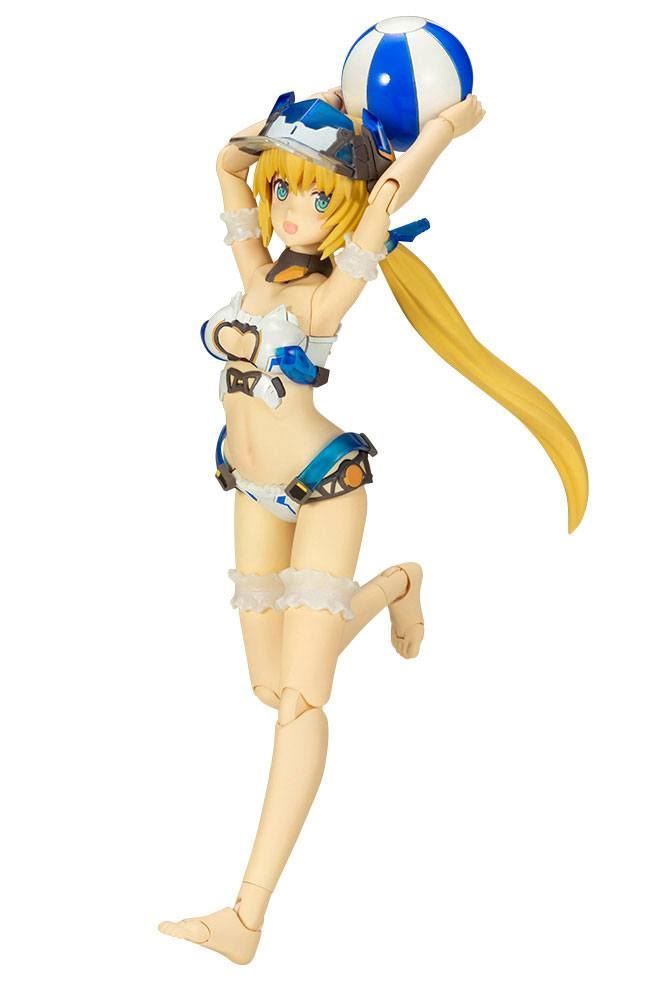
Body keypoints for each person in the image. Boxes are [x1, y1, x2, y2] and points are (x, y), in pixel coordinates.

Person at [158, 86, 587, 964]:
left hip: (323, 487)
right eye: (286, 189)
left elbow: (388, 194)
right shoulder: (256, 271)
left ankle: (246, 916)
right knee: (268, 684)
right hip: (250, 488)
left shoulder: (331, 291)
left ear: (347, 207)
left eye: (318, 195)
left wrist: (441, 128)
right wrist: (314, 107)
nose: (292, 208)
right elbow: (228, 165)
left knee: (302, 700)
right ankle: (396, 584)